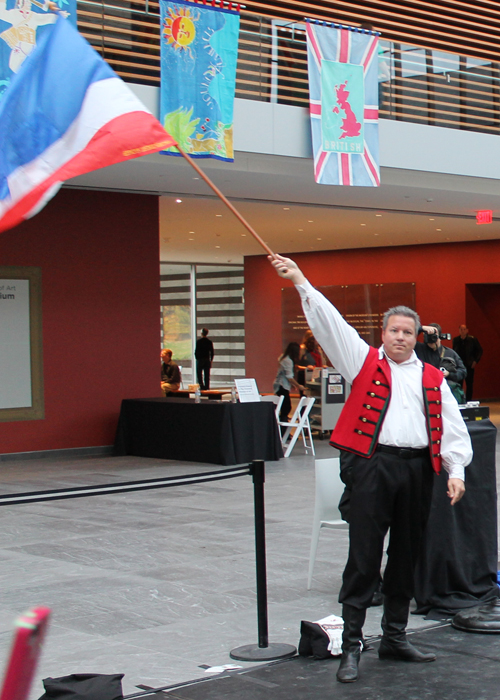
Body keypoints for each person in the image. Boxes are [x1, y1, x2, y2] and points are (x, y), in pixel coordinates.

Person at [269, 253, 472, 683]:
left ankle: (395, 637)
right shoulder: (363, 361)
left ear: (417, 336)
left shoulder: (432, 377)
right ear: (383, 334)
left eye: (408, 332)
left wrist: (456, 471)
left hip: (418, 470)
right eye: (394, 330)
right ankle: (353, 645)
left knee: (405, 556)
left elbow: (452, 428)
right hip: (372, 467)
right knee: (363, 558)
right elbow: (331, 324)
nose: (401, 337)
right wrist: (302, 281)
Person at [415, 323, 467, 403]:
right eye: (428, 336)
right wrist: (421, 328)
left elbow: (463, 371)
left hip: (446, 393)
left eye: (434, 336)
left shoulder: (450, 353)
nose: (431, 339)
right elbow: (407, 336)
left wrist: (449, 374)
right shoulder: (418, 349)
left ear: (440, 337)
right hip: (424, 392)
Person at [273, 341, 304, 424]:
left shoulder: (284, 358)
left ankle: (282, 427)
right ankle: (283, 428)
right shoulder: (288, 361)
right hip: (282, 385)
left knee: (284, 407)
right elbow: (289, 377)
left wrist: (292, 385)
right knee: (286, 407)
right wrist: (298, 385)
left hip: (280, 385)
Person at [453, 325, 483, 402]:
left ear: (467, 330)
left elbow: (479, 350)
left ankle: (468, 401)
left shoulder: (472, 340)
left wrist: (475, 361)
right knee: (459, 384)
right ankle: (460, 400)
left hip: (469, 365)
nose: (462, 331)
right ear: (459, 330)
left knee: (469, 384)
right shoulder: (456, 340)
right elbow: (454, 352)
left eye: (464, 329)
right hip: (459, 365)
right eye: (461, 329)